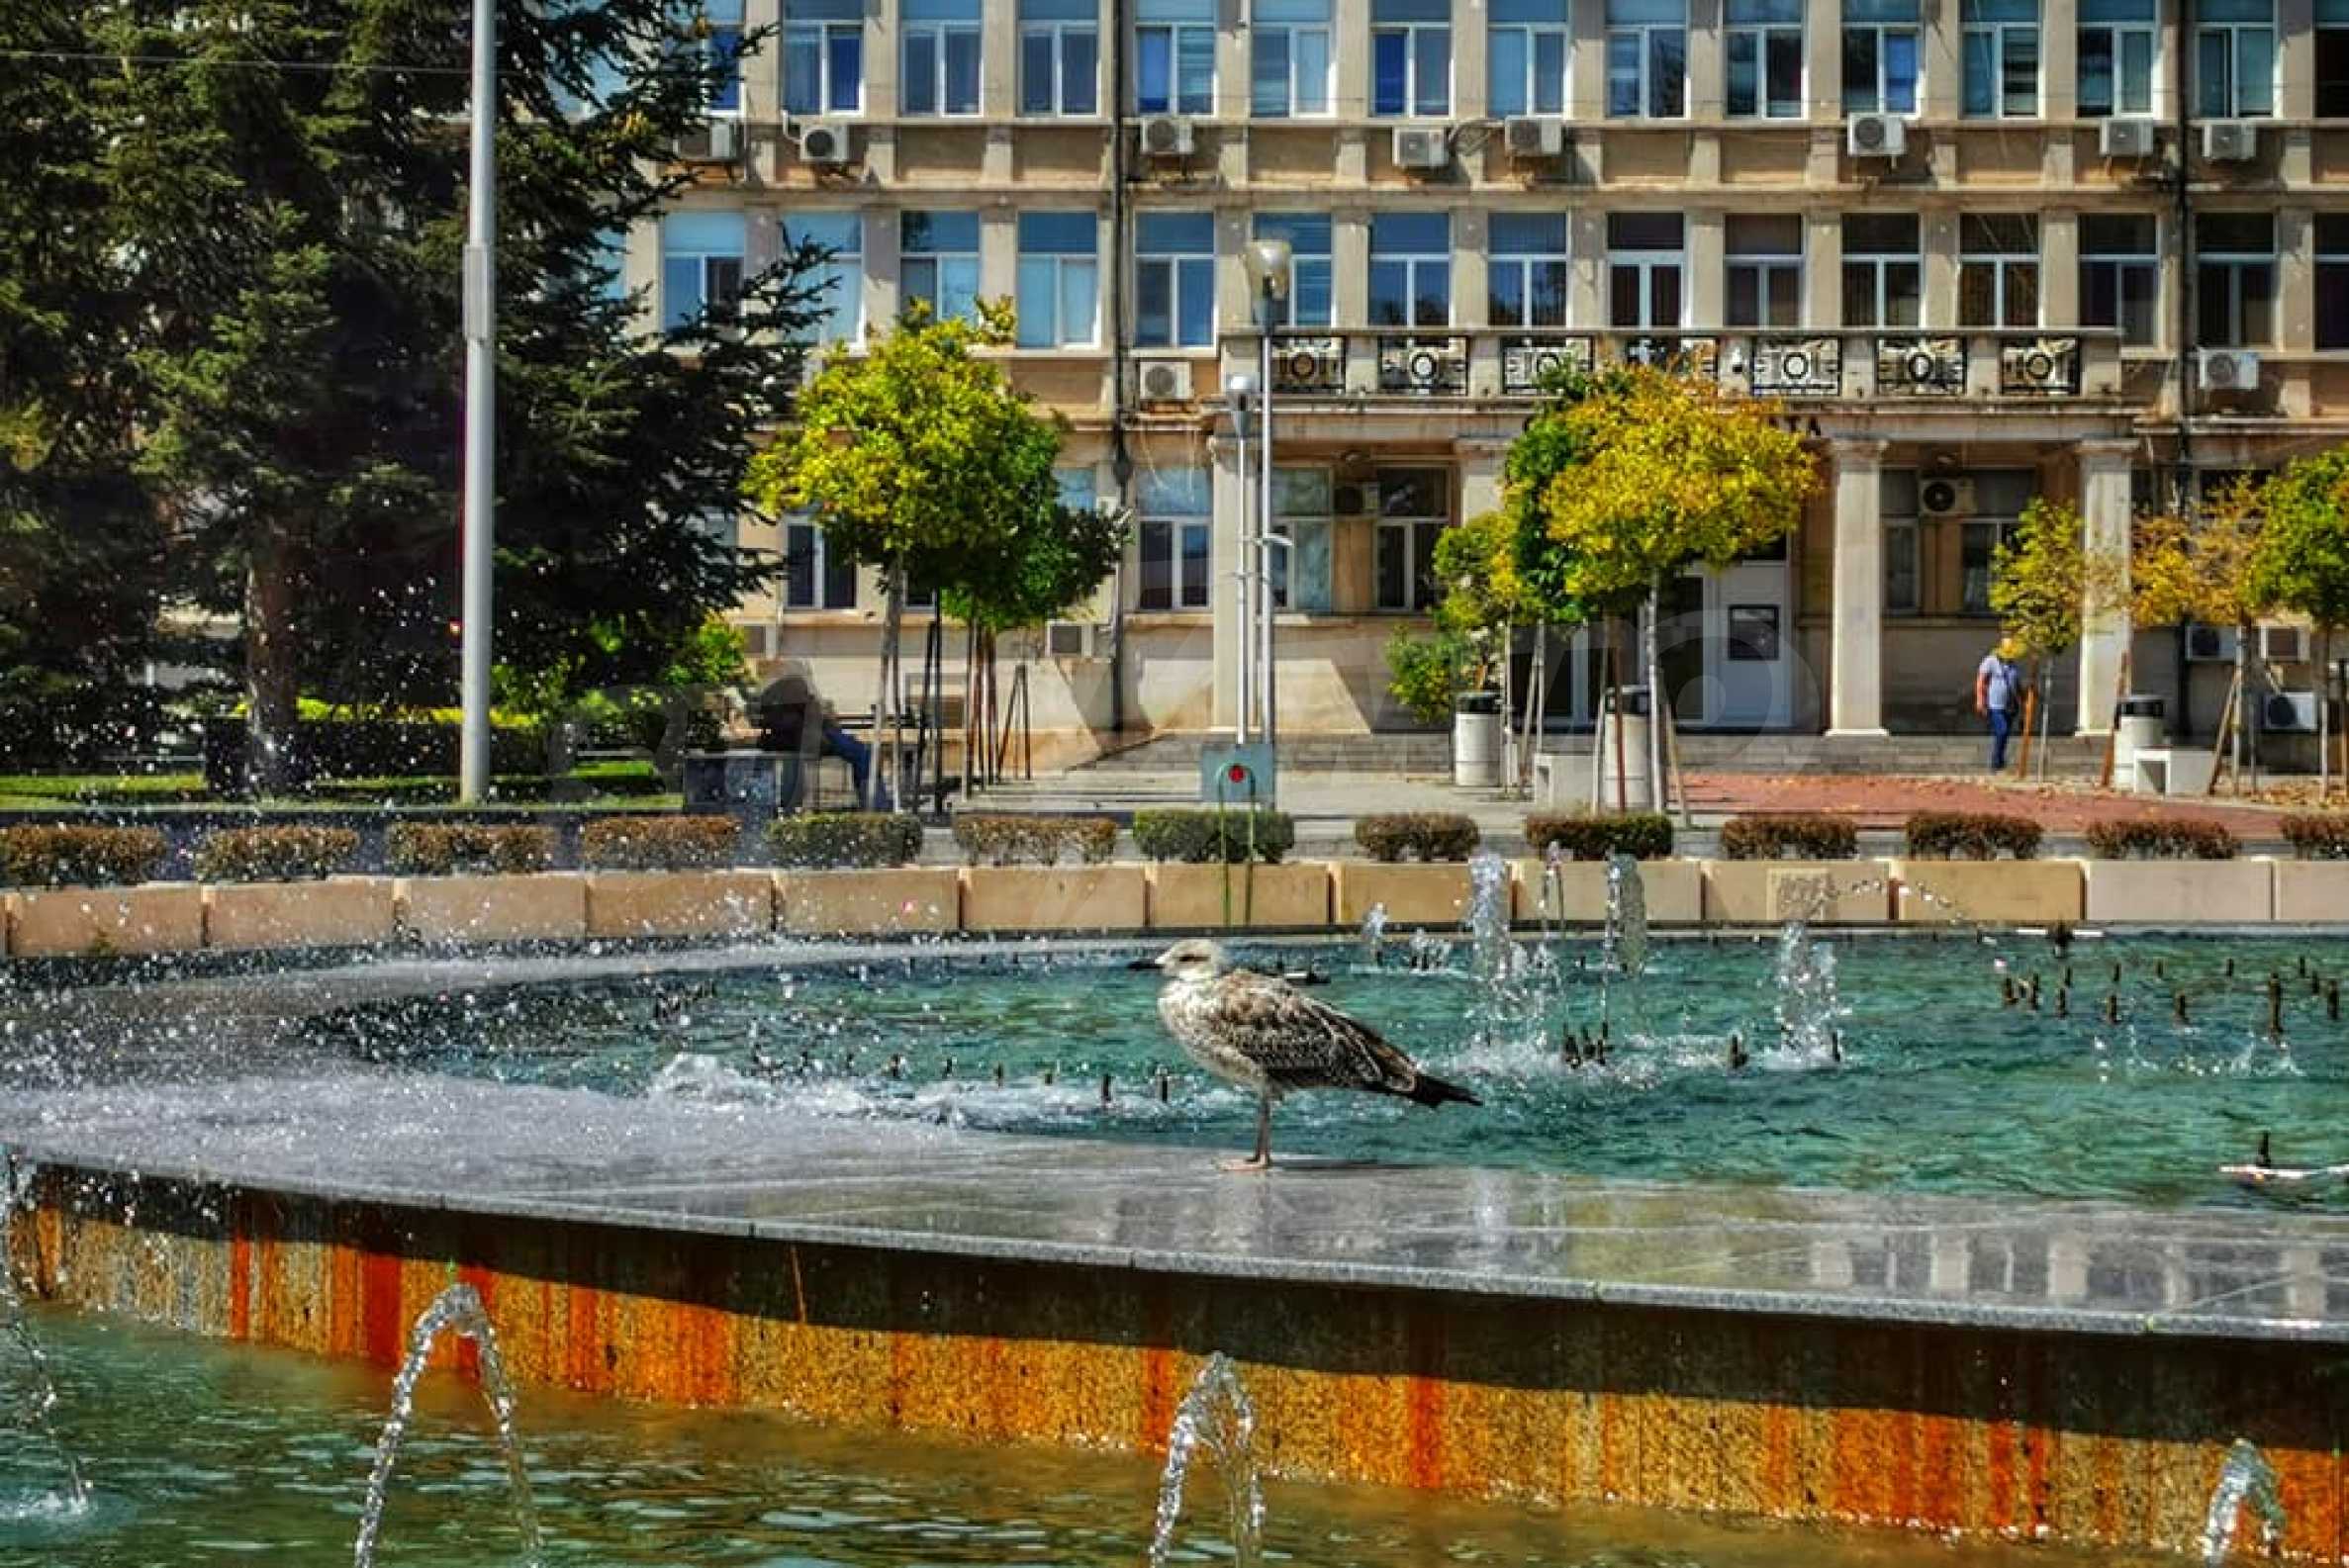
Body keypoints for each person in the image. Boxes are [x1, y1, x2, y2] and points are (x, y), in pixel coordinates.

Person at [1974, 638, 2026, 772]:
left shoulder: (2012, 665)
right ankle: (1996, 762)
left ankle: (2000, 761)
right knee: (2001, 730)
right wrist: (1980, 700)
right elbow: (1981, 680)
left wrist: (2023, 699)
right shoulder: (1990, 661)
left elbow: (2016, 684)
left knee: (2005, 733)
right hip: (1995, 704)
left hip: (2011, 705)